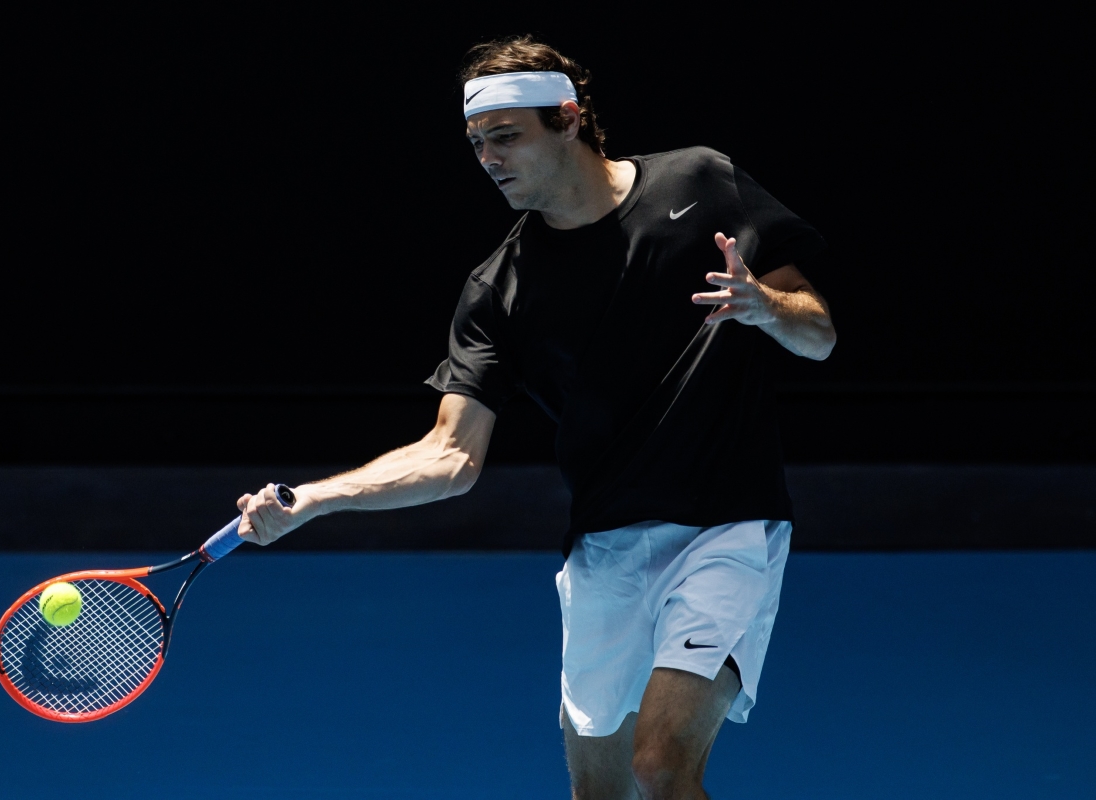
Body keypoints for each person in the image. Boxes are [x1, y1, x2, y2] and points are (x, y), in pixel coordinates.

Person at [235, 35, 835, 800]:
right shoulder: (498, 289)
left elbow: (819, 333)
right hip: (607, 549)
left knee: (660, 764)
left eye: (506, 136)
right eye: (477, 142)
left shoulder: (702, 182)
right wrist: (314, 500)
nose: (488, 157)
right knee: (601, 792)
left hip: (730, 526)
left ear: (568, 118)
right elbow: (451, 455)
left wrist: (764, 308)